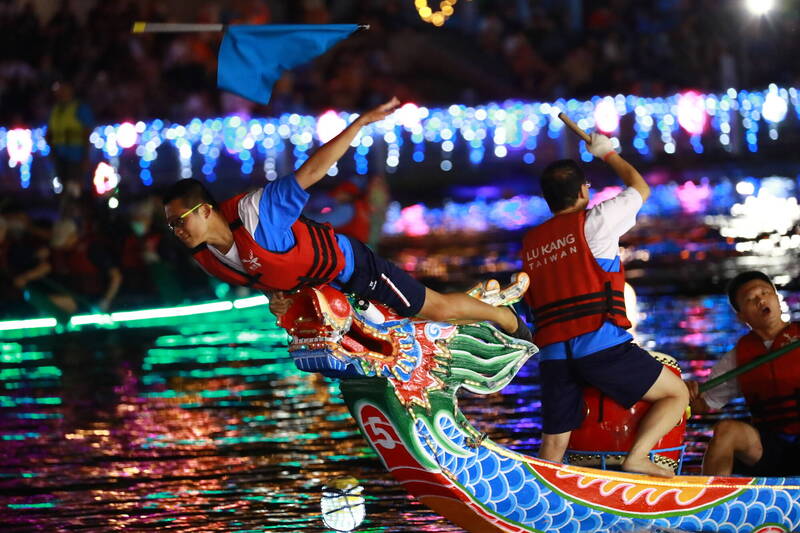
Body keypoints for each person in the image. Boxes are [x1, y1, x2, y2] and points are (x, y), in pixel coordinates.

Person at [162, 98, 531, 341]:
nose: (178, 231)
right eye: (172, 226)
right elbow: (268, 279)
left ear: (206, 210)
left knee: (433, 308)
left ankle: (507, 321)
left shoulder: (259, 211)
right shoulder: (208, 261)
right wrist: (276, 301)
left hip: (356, 269)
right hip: (322, 295)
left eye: (181, 220)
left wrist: (362, 123)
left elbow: (314, 169)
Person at [521, 134, 689, 478]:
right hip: (599, 345)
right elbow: (639, 186)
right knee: (677, 394)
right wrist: (607, 152)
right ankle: (638, 458)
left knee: (553, 445)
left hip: (553, 354)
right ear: (583, 190)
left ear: (547, 199)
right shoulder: (595, 221)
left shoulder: (531, 243)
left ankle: (542, 501)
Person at [687, 271, 800, 476]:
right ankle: (712, 499)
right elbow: (703, 404)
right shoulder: (736, 358)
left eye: (766, 293)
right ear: (742, 316)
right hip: (770, 448)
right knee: (726, 430)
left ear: (776, 298)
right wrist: (683, 391)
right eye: (751, 298)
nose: (761, 300)